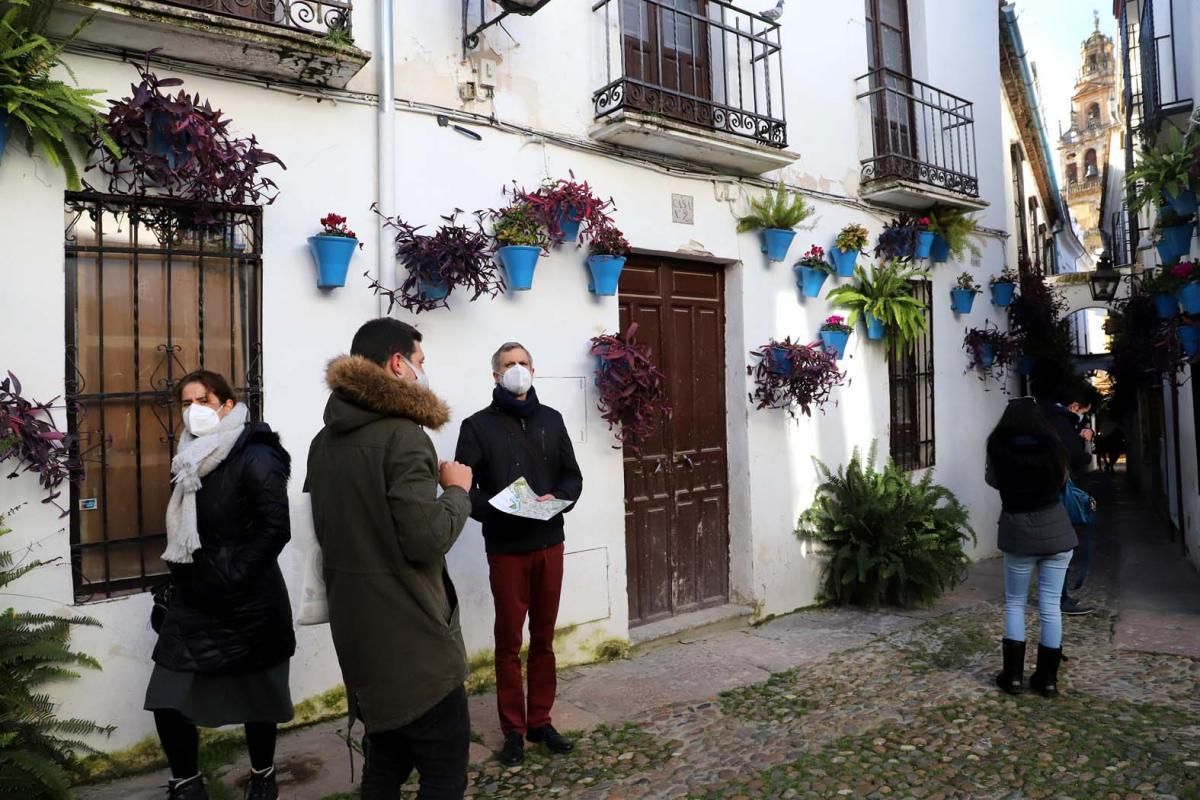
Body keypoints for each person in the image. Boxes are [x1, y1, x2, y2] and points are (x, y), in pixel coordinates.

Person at [305, 318, 474, 800]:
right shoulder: (404, 436)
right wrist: (458, 491)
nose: (424, 372)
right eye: (420, 362)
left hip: (361, 640)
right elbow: (425, 539)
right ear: (397, 363)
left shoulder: (324, 441)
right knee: (442, 773)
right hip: (415, 646)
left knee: (385, 764)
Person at [147, 370, 295, 800]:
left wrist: (230, 577)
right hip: (195, 598)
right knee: (168, 695)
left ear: (228, 405)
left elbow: (274, 529)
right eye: (186, 402)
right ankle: (187, 782)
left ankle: (263, 775)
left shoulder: (257, 455)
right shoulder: (189, 456)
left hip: (248, 599)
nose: (194, 411)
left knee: (259, 696)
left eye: (205, 401)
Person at [454, 342, 583, 766]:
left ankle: (540, 720)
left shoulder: (552, 420)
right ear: (495, 375)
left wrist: (557, 498)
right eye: (508, 365)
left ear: (534, 369)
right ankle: (512, 729)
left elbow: (572, 476)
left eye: (523, 363)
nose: (516, 370)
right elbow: (463, 489)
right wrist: (500, 509)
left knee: (544, 637)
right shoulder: (476, 427)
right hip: (507, 549)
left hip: (550, 543)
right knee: (508, 641)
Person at [986, 397, 1078, 698]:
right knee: (1050, 606)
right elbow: (1064, 478)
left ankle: (1012, 678)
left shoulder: (998, 445)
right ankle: (1047, 680)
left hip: (1018, 531)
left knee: (1015, 603)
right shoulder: (1052, 444)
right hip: (1056, 531)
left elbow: (992, 480)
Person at [1042, 388, 1096, 615]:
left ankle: (1058, 596)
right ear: (1074, 406)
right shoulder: (1063, 423)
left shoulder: (1047, 419)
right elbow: (1075, 457)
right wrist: (1085, 444)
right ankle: (1059, 598)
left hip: (1047, 490)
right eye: (1084, 411)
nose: (1082, 416)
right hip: (1061, 490)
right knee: (1064, 545)